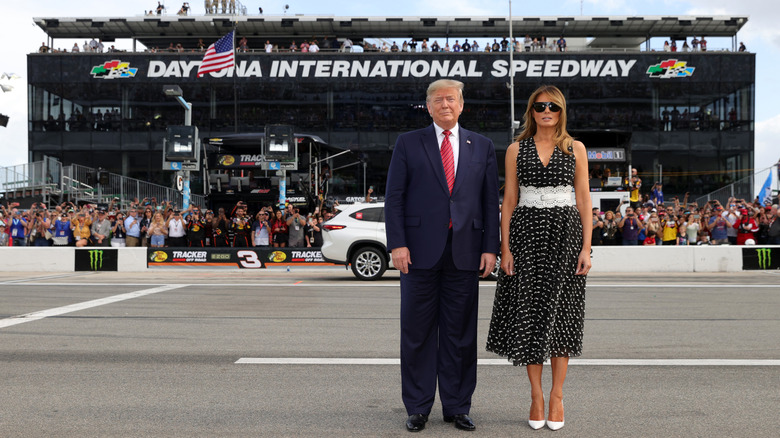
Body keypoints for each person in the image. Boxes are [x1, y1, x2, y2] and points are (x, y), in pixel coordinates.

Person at [385, 79, 500, 433]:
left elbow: (488, 202)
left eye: (451, 98)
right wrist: (397, 244)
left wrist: (490, 248)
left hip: (465, 253)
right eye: (438, 99)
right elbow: (395, 198)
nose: (444, 104)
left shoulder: (482, 146)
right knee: (417, 333)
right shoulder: (408, 143)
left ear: (462, 105)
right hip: (417, 254)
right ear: (428, 106)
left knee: (460, 334)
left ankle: (457, 406)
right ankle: (418, 407)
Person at [487, 85, 591, 432]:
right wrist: (505, 248)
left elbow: (583, 200)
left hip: (565, 238)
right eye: (540, 106)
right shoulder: (516, 149)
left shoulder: (576, 148)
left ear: (562, 112)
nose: (547, 111)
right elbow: (510, 201)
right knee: (530, 316)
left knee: (562, 317)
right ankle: (535, 396)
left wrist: (586, 249)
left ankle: (558, 396)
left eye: (554, 107)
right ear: (531, 111)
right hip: (526, 237)